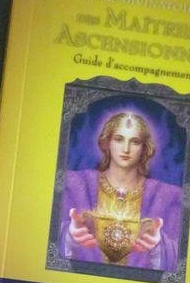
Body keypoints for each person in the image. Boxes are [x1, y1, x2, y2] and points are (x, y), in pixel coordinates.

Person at [58, 112, 181, 271]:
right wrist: (69, 235)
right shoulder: (74, 185)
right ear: (107, 143)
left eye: (135, 142)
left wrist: (159, 246)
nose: (126, 149)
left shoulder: (168, 197)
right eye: (118, 139)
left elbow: (182, 263)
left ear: (144, 148)